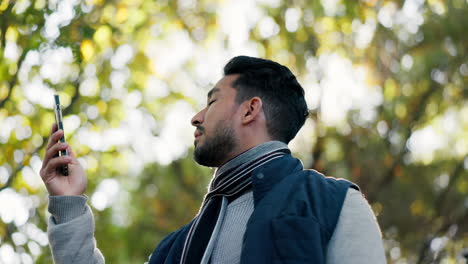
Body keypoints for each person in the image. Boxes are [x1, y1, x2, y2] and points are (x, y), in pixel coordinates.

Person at [40, 56, 386, 264]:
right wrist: (68, 204)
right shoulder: (176, 248)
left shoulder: (332, 202)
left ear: (250, 109)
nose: (196, 116)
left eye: (212, 101)